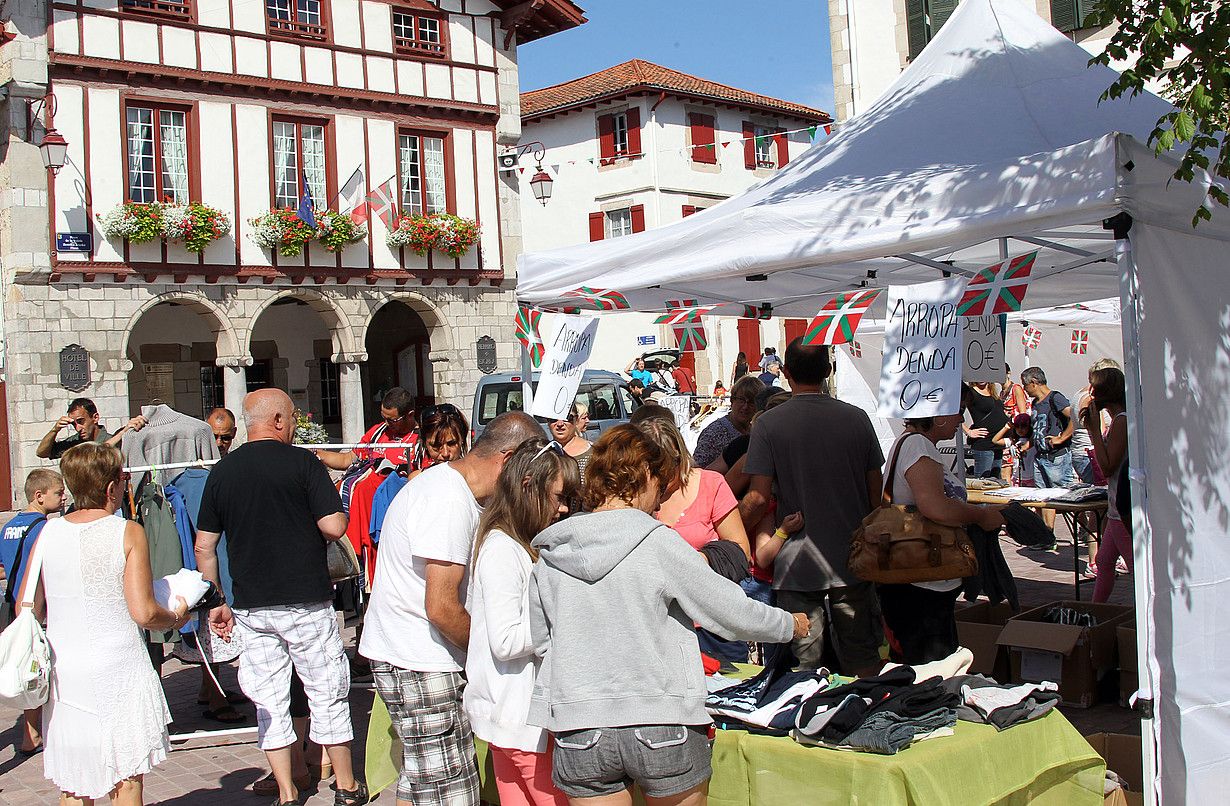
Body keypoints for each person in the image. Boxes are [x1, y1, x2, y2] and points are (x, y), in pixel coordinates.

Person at [529, 424, 806, 806]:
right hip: (659, 719)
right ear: (643, 478)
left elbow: (544, 643)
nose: (661, 501)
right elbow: (726, 609)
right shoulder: (657, 541)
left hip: (579, 723)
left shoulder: (553, 553)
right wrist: (789, 624)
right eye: (661, 486)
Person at [360, 411, 543, 806]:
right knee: (450, 792)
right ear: (508, 460)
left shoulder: (450, 491)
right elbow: (442, 607)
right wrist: (483, 654)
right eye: (526, 475)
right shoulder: (447, 498)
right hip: (422, 662)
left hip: (416, 657)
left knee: (421, 780)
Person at [195, 389, 367, 806]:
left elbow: (204, 546)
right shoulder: (303, 463)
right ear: (276, 420)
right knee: (327, 687)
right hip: (305, 599)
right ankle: (344, 784)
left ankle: (288, 788)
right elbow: (332, 527)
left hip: (251, 605)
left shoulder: (223, 471)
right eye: (290, 419)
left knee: (268, 697)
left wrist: (216, 598)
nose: (293, 427)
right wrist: (339, 507)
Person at [25, 442, 191, 805]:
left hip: (66, 665)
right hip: (118, 663)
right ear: (111, 486)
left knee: (73, 780)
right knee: (126, 775)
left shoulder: (47, 533)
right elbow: (144, 612)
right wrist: (177, 614)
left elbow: (32, 605)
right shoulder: (127, 531)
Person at [740, 339, 885, 676]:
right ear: (828, 371)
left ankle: (804, 721)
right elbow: (875, 493)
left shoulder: (769, 424)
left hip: (797, 561)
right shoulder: (857, 418)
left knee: (802, 666)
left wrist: (730, 526)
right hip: (852, 557)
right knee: (861, 656)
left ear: (786, 373)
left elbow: (759, 497)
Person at [464, 439, 580, 806]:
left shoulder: (511, 544)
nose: (563, 509)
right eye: (558, 497)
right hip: (520, 721)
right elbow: (505, 640)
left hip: (512, 720)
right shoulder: (502, 549)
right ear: (528, 486)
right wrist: (565, 617)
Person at [878, 403, 1006, 664]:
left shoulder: (915, 444)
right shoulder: (918, 445)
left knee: (926, 660)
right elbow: (934, 506)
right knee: (928, 664)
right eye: (957, 410)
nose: (961, 418)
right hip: (920, 576)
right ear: (936, 415)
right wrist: (980, 516)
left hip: (921, 574)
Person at [636, 410, 755, 662]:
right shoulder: (631, 495)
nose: (660, 476)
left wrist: (695, 561)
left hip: (714, 625)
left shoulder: (711, 484)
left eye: (666, 467)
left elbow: (741, 552)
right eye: (651, 469)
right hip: (654, 624)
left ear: (679, 458)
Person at [1, 469, 64, 757]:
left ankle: (30, 732)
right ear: (39, 496)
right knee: (40, 669)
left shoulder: (8, 528)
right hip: (38, 609)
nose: (63, 498)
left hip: (15, 605)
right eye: (58, 493)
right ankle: (34, 732)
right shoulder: (45, 529)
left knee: (28, 667)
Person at [1083, 367, 1131, 603]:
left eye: (1094, 389)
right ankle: (1096, 610)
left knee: (1135, 566)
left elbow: (1108, 467)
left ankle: (1144, 621)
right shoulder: (1119, 419)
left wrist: (1093, 432)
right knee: (1103, 561)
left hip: (1121, 507)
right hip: (1116, 505)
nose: (1090, 395)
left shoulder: (1121, 420)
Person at [314, 387, 418, 470]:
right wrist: (317, 453)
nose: (386, 423)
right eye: (383, 418)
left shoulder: (420, 440)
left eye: (392, 420)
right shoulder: (378, 432)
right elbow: (348, 459)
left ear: (410, 415)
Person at [35, 397, 146, 460]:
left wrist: (126, 430)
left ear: (95, 418)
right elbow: (42, 453)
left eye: (81, 421)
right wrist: (55, 430)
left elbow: (101, 451)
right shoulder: (75, 443)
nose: (78, 428)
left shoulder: (115, 439)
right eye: (73, 424)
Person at [692, 375, 763, 468]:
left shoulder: (757, 429)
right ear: (732, 400)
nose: (745, 407)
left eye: (751, 402)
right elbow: (698, 470)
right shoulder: (714, 433)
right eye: (741, 400)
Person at [1021, 367, 1075, 488]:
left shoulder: (1055, 398)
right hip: (1040, 456)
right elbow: (1037, 429)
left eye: (1025, 385)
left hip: (1056, 458)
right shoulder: (1035, 403)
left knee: (1060, 496)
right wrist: (1027, 445)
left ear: (1034, 383)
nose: (1024, 389)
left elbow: (1075, 417)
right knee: (1042, 497)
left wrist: (1061, 438)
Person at [964, 381, 1009, 478]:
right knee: (983, 481)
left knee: (996, 481)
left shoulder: (992, 391)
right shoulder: (970, 392)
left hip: (997, 443)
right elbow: (955, 412)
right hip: (984, 443)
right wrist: (968, 431)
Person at [999, 364, 1029, 482]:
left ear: (1008, 373)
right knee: (1005, 469)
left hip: (1016, 434)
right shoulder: (1002, 393)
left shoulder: (1015, 388)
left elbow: (1023, 414)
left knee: (1010, 470)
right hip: (1007, 433)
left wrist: (1022, 437)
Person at [547, 404, 593, 477]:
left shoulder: (594, 453)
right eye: (553, 419)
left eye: (567, 418)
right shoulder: (543, 454)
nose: (560, 424)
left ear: (576, 419)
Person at [994, 413, 1037, 487]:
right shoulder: (1013, 441)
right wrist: (1006, 427)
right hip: (1017, 477)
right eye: (1017, 426)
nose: (1020, 429)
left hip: (1032, 477)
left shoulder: (1032, 441)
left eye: (1023, 426)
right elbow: (995, 440)